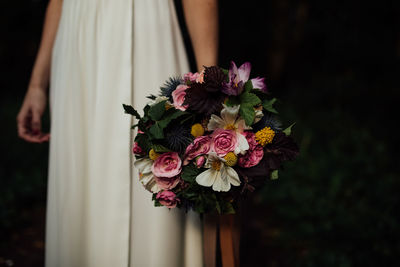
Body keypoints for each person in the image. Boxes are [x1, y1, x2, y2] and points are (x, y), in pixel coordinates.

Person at [17, 0, 218, 266]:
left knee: (153, 175)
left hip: (146, 34)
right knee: (79, 184)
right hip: (76, 47)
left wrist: (210, 86)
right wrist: (37, 85)